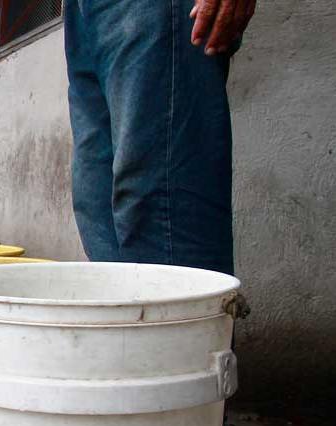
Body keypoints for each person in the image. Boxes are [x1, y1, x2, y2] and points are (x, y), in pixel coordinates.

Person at [64, 0, 256, 275]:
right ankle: (128, 318)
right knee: (97, 208)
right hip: (84, 13)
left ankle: (179, 317)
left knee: (160, 207)